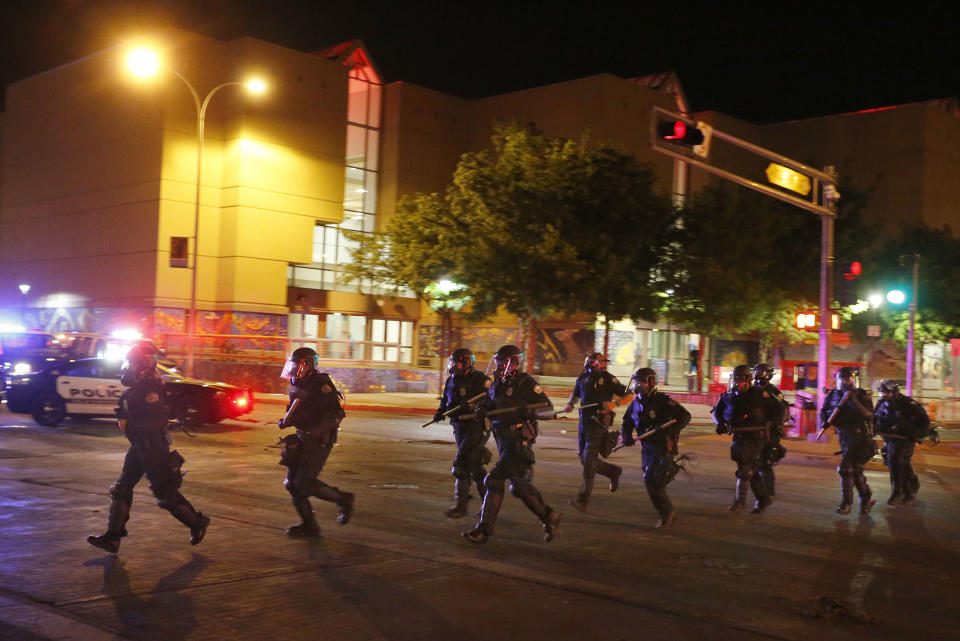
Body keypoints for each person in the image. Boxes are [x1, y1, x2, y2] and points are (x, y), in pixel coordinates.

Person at [87, 344, 209, 553]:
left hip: (153, 447)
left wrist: (129, 423)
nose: (128, 367)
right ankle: (113, 537)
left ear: (143, 363)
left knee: (165, 493)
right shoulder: (141, 386)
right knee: (122, 488)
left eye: (132, 363)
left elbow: (155, 421)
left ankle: (197, 524)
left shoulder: (151, 387)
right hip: (140, 446)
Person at [462, 345, 561, 544]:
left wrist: (527, 411)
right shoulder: (497, 383)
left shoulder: (525, 382)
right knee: (520, 487)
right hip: (503, 442)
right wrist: (482, 408)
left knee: (494, 481)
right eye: (497, 362)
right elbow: (491, 403)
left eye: (501, 362)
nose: (497, 366)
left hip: (518, 442)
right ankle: (549, 516)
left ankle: (483, 531)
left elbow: (549, 410)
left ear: (512, 362)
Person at [277, 347, 353, 537]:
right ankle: (309, 526)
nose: (293, 369)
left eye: (296, 365)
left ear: (307, 363)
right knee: (291, 483)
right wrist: (287, 421)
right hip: (302, 436)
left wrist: (316, 432)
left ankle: (343, 499)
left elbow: (336, 414)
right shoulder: (300, 382)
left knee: (305, 482)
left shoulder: (320, 383)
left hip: (318, 440)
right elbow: (299, 410)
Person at [620, 367, 691, 528]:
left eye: (641, 382)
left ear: (650, 382)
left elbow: (685, 416)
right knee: (652, 482)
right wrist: (626, 437)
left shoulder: (662, 400)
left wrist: (672, 428)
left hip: (663, 446)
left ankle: (667, 514)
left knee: (651, 481)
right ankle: (670, 470)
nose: (637, 385)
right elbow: (627, 424)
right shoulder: (635, 404)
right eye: (636, 382)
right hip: (648, 449)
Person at [562, 352, 633, 512]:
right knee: (585, 459)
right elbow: (576, 394)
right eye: (597, 362)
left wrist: (614, 404)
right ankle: (613, 472)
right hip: (584, 422)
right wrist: (570, 404)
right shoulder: (582, 378)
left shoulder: (608, 379)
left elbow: (630, 395)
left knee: (588, 459)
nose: (601, 365)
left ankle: (583, 499)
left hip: (599, 423)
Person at [712, 365, 785, 514]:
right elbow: (717, 411)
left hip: (756, 436)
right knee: (751, 469)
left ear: (748, 381)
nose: (738, 384)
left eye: (741, 380)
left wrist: (773, 422)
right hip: (739, 435)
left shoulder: (760, 395)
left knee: (745, 468)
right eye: (736, 380)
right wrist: (720, 423)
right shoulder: (729, 395)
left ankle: (740, 501)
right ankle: (763, 498)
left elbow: (781, 410)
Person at [432, 348, 493, 518]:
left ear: (466, 363)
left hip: (476, 427)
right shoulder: (451, 379)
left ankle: (461, 505)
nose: (452, 366)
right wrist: (440, 412)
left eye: (455, 362)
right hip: (459, 427)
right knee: (474, 466)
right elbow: (446, 400)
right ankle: (488, 503)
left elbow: (490, 399)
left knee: (461, 464)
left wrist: (475, 406)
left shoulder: (479, 379)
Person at [819, 366, 876, 514]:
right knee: (856, 470)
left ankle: (847, 503)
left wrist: (852, 400)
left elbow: (869, 415)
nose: (845, 381)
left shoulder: (862, 395)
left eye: (848, 378)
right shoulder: (833, 395)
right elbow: (824, 411)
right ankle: (866, 498)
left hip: (860, 437)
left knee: (845, 469)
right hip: (843, 437)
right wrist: (824, 421)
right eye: (842, 378)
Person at [873, 379, 929, 505]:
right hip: (889, 439)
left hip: (904, 440)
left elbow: (923, 422)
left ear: (893, 392)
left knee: (895, 461)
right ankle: (910, 488)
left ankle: (897, 493)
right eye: (881, 393)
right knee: (896, 462)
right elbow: (876, 418)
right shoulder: (882, 403)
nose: (882, 396)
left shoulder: (907, 403)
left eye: (885, 393)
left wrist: (913, 433)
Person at [752, 363, 790, 498]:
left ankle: (768, 492)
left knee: (764, 463)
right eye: (757, 372)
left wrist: (774, 422)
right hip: (753, 432)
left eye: (762, 373)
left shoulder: (773, 391)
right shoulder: (751, 390)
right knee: (751, 464)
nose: (759, 375)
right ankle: (759, 491)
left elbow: (784, 410)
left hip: (770, 432)